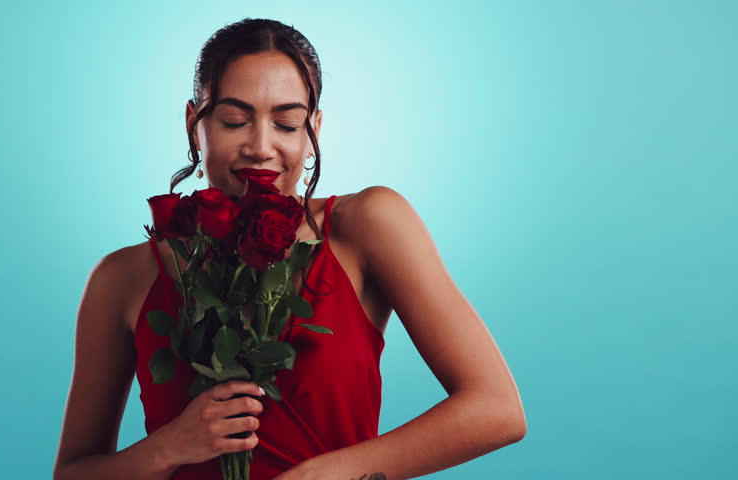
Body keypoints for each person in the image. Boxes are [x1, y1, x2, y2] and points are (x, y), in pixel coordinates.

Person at [53, 18, 526, 480]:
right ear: (193, 122)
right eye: (235, 120)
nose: (261, 146)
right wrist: (167, 449)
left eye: (286, 123)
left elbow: (497, 409)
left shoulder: (367, 225)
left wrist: (326, 475)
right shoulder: (121, 278)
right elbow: (73, 473)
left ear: (314, 130)